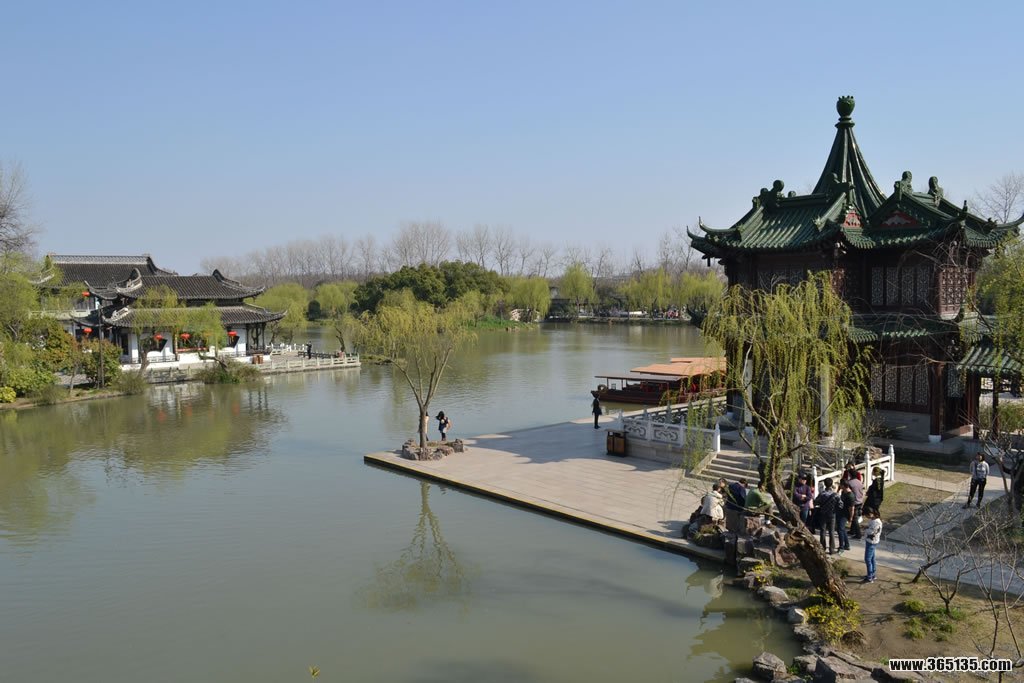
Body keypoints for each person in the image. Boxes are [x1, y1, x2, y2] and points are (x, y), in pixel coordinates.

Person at [814, 478, 842, 555]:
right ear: (831, 484)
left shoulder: (822, 494)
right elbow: (841, 505)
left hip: (823, 514)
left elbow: (816, 502)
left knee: (823, 531)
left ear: (825, 484)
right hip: (832, 514)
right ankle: (831, 549)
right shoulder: (835, 495)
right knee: (831, 532)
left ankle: (822, 547)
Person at [862, 508, 882, 583]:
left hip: (872, 542)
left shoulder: (876, 522)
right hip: (870, 541)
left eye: (867, 515)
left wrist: (865, 530)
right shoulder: (873, 520)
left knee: (867, 559)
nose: (867, 517)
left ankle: (869, 576)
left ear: (871, 513)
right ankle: (873, 574)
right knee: (872, 558)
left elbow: (872, 531)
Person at [838, 480, 855, 552]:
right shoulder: (843, 492)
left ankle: (841, 546)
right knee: (842, 529)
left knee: (840, 530)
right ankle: (847, 545)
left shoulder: (850, 496)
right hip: (840, 512)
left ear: (843, 485)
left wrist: (851, 517)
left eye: (840, 484)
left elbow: (852, 508)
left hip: (845, 514)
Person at [847, 471, 865, 539]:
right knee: (855, 516)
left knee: (854, 518)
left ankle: (858, 534)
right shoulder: (859, 482)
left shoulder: (850, 483)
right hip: (860, 501)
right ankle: (852, 530)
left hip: (854, 502)